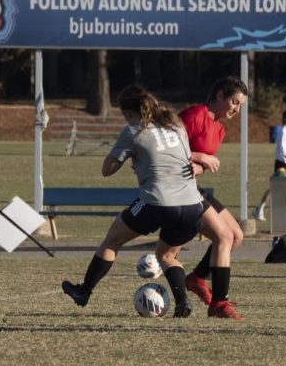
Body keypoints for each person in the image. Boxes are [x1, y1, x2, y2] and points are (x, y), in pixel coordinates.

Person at [62, 86, 204, 317]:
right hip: (192, 204)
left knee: (112, 240)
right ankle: (182, 302)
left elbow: (107, 169)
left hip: (157, 202)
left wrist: (129, 157)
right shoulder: (176, 125)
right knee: (166, 255)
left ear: (128, 113)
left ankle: (84, 291)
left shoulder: (134, 131)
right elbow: (184, 159)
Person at [180, 76, 249, 319]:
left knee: (237, 235)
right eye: (234, 102)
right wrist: (201, 156)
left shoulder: (219, 129)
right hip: (175, 190)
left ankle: (197, 278)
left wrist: (200, 163)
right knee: (223, 236)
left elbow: (198, 167)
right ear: (219, 95)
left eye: (240, 105)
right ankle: (219, 304)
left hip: (191, 187)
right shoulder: (196, 114)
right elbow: (167, 151)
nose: (237, 109)